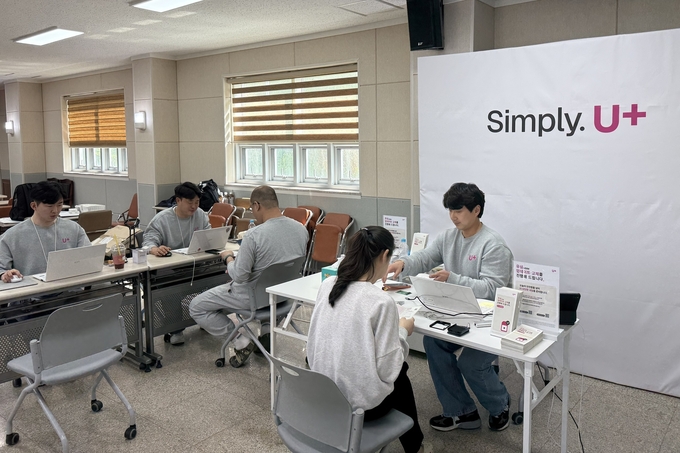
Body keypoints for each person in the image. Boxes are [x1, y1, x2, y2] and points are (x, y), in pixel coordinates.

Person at [387, 182, 514, 432]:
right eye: (450, 210)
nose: (453, 216)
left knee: (470, 363)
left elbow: (493, 290)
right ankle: (461, 411)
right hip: (457, 312)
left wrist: (452, 278)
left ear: (476, 210)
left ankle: (500, 405)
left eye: (458, 210)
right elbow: (426, 257)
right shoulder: (448, 237)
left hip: (488, 320)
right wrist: (403, 263)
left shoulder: (493, 245)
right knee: (433, 344)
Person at [307, 226, 427, 453]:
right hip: (359, 408)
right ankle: (415, 446)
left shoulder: (327, 285)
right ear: (385, 256)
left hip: (323, 397)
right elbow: (388, 370)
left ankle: (415, 445)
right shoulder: (381, 302)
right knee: (400, 372)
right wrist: (402, 331)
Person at [189, 185, 307, 367]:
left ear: (257, 205)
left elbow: (239, 276)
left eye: (252, 208)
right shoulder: (301, 229)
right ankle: (266, 331)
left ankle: (241, 341)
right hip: (283, 297)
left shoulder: (254, 235)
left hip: (252, 299)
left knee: (196, 306)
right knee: (268, 282)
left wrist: (228, 258)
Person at [142, 181, 210, 345]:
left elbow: (208, 235)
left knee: (216, 279)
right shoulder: (162, 219)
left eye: (197, 202)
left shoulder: (200, 215)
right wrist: (154, 249)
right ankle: (176, 329)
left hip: (195, 266)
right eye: (190, 202)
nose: (194, 207)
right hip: (171, 270)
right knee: (170, 290)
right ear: (178, 200)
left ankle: (209, 319)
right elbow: (148, 242)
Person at [0, 181, 90, 281]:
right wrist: (5, 274)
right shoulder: (12, 235)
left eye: (59, 204)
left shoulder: (74, 229)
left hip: (70, 286)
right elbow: (1, 268)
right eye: (49, 206)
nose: (55, 210)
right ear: (34, 206)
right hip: (32, 289)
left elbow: (90, 258)